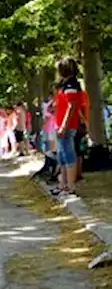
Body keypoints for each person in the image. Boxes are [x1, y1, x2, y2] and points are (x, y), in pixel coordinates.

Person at [53, 58, 89, 196]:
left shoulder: (71, 86)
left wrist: (64, 125)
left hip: (67, 125)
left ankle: (70, 185)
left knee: (68, 154)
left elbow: (72, 106)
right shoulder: (65, 85)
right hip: (61, 123)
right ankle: (63, 184)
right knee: (62, 155)